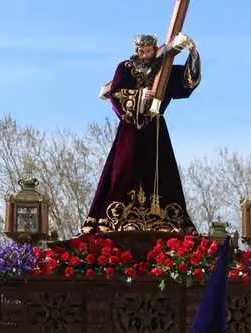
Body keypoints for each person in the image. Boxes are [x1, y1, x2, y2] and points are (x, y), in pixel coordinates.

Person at [81, 33, 200, 234]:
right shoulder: (125, 67)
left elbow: (187, 83)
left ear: (155, 49)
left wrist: (192, 51)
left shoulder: (164, 67)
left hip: (155, 129)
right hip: (131, 130)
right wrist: (139, 95)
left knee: (162, 172)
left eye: (149, 50)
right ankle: (118, 217)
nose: (145, 53)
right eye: (141, 50)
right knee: (124, 170)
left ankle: (165, 219)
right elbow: (115, 93)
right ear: (137, 50)